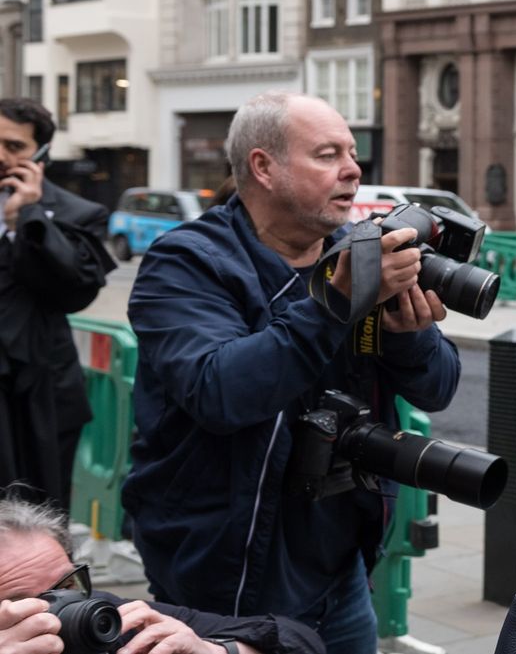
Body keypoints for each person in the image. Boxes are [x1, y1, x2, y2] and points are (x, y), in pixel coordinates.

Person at [122, 92, 461, 654]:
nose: (353, 170)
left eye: (353, 154)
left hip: (339, 569)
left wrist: (407, 334)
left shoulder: (358, 257)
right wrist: (337, 298)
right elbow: (220, 392)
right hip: (220, 571)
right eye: (328, 155)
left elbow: (440, 387)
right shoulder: (185, 262)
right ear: (263, 167)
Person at [0, 493, 324, 654]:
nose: (62, 609)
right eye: (31, 603)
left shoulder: (106, 619)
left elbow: (301, 640)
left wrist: (213, 650)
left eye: (68, 583)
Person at [0, 98, 115, 514]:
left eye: (14, 146)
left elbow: (74, 290)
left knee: (36, 519)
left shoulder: (77, 213)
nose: (1, 156)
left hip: (39, 393)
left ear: (41, 154)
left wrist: (26, 219)